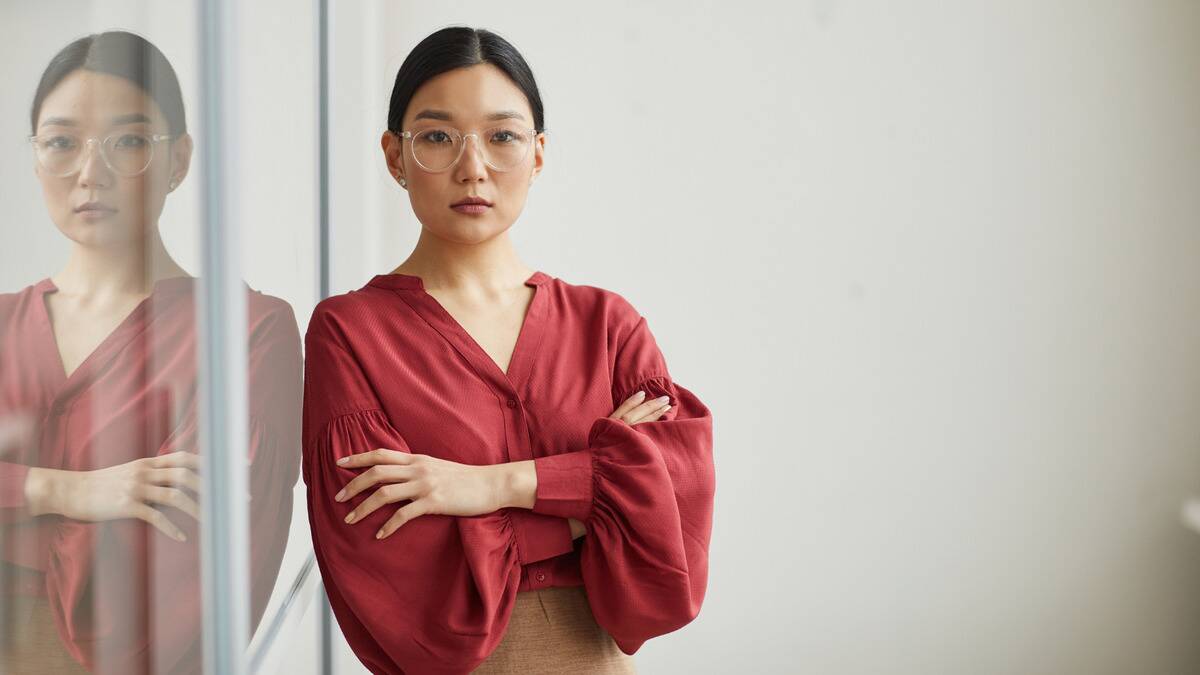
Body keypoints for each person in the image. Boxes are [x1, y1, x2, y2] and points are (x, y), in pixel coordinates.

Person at [303, 26, 715, 674]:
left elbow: (670, 518)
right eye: (438, 136)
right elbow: (382, 560)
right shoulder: (351, 332)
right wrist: (590, 498)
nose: (473, 167)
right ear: (394, 155)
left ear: (539, 153)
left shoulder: (608, 326)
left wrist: (485, 485)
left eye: (502, 137)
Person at [0, 30, 301, 674]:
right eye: (61, 143)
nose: (90, 172)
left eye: (130, 141)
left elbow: (174, 583)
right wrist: (75, 492)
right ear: (34, 157)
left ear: (180, 159)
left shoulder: (246, 331)